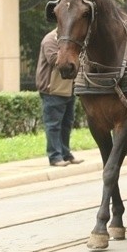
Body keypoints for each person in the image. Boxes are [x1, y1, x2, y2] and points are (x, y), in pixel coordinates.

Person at [36, 29, 83, 167]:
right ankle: (55, 157)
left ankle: (66, 154)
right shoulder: (50, 40)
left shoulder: (69, 39)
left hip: (68, 89)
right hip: (53, 90)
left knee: (66, 124)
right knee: (53, 125)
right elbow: (54, 60)